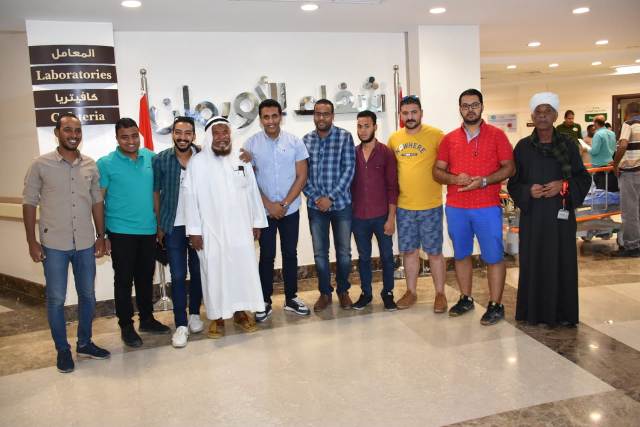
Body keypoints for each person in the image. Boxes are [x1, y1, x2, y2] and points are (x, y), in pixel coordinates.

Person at [23, 113, 110, 373]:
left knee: (88, 296)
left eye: (77, 130)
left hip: (85, 242)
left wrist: (101, 236)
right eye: (68, 130)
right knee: (56, 299)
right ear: (57, 133)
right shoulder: (40, 165)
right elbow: (29, 203)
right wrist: (32, 241)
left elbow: (97, 202)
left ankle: (85, 343)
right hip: (53, 243)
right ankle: (62, 349)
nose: (74, 135)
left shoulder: (90, 165)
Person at [507, 92, 591, 326]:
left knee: (561, 262)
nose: (542, 116)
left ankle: (563, 314)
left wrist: (563, 186)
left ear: (555, 116)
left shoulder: (568, 145)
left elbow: (582, 178)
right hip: (533, 217)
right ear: (532, 116)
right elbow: (514, 183)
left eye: (547, 112)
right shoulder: (523, 147)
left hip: (560, 217)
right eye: (538, 112)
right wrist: (528, 191)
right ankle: (533, 313)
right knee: (533, 262)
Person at [433, 89, 515, 325]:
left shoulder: (497, 136)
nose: (470, 109)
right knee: (461, 255)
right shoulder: (449, 139)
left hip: (487, 207)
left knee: (493, 257)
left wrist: (485, 181)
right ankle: (466, 298)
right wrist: (454, 179)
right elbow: (437, 171)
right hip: (457, 207)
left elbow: (510, 167)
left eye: (474, 105)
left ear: (482, 107)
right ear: (460, 109)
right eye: (465, 105)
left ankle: (496, 304)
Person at [183, 116, 267, 338]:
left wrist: (257, 222)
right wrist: (194, 231)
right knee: (214, 273)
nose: (222, 137)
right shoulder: (197, 163)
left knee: (241, 270)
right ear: (209, 136)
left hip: (240, 228)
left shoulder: (241, 159)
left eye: (225, 132)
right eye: (217, 133)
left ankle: (240, 313)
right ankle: (217, 317)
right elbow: (190, 198)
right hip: (211, 231)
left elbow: (252, 191)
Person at [98, 118, 170, 348]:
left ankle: (147, 320)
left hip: (148, 230)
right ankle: (126, 326)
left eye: (134, 136)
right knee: (123, 281)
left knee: (145, 278)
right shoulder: (106, 163)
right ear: (117, 138)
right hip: (120, 232)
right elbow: (98, 201)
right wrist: (103, 235)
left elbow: (157, 193)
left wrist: (159, 226)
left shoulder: (151, 157)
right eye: (124, 137)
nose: (130, 141)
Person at [244, 99, 311, 321]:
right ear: (260, 119)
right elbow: (249, 180)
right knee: (267, 255)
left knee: (290, 253)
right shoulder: (251, 145)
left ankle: (291, 298)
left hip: (289, 210)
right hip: (264, 212)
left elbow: (302, 176)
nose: (271, 121)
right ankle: (264, 300)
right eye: (266, 117)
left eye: (274, 116)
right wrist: (269, 205)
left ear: (280, 116)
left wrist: (283, 205)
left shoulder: (295, 142)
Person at [388, 95, 446, 311]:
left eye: (414, 112)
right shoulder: (394, 139)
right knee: (409, 252)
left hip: (431, 206)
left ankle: (440, 294)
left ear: (421, 113)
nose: (410, 116)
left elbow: (447, 165)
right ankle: (411, 292)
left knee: (434, 252)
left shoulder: (437, 135)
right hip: (404, 207)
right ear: (400, 115)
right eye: (405, 113)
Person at [153, 116, 204, 348]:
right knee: (177, 275)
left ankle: (194, 314)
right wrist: (159, 224)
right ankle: (181, 324)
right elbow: (156, 192)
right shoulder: (161, 159)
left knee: (198, 271)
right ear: (172, 134)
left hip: (199, 226)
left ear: (194, 135)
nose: (183, 137)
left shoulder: (203, 157)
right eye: (178, 132)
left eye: (187, 133)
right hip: (173, 226)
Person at [303, 99, 356, 312]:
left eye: (325, 114)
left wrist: (331, 198)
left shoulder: (344, 137)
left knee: (344, 253)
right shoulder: (305, 141)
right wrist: (317, 198)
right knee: (320, 253)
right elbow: (302, 175)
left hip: (341, 205)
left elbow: (349, 170)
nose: (321, 118)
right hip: (316, 208)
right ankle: (325, 293)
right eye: (318, 113)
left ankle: (343, 291)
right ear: (314, 116)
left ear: (332, 116)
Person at [350, 110, 399, 311]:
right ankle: (366, 293)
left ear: (375, 127)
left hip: (382, 216)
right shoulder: (352, 153)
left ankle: (388, 293)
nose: (363, 130)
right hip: (358, 217)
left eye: (366, 126)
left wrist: (391, 218)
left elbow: (392, 187)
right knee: (363, 258)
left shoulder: (386, 152)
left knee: (387, 256)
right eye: (359, 126)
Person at [611, 102, 640, 257]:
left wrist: (615, 164)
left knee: (630, 212)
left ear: (627, 112)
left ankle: (632, 246)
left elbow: (622, 145)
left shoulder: (628, 124)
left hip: (630, 173)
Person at [590, 116, 618, 192]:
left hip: (600, 166)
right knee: (611, 191)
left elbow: (594, 151)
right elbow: (614, 148)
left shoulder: (598, 134)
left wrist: (588, 149)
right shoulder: (612, 133)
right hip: (610, 164)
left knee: (602, 192)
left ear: (596, 123)